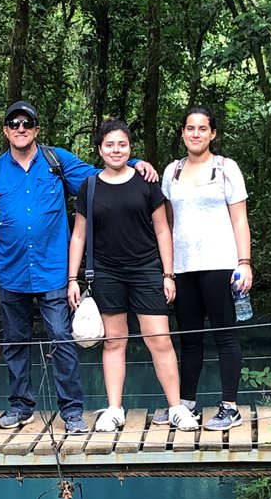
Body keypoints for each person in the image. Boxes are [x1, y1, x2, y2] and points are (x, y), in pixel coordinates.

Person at [0, 100, 158, 433]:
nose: (21, 129)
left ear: (36, 129)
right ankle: (20, 406)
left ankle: (73, 411)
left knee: (62, 339)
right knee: (16, 343)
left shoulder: (55, 160)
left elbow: (100, 178)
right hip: (11, 271)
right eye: (14, 124)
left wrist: (133, 162)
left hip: (53, 270)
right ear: (6, 130)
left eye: (27, 123)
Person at [66, 119, 201, 432]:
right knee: (114, 342)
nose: (116, 150)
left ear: (130, 147)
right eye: (109, 145)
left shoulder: (146, 182)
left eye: (122, 144)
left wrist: (168, 274)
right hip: (106, 273)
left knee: (160, 340)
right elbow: (78, 236)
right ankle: (114, 408)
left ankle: (176, 407)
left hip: (146, 270)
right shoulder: (90, 186)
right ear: (99, 149)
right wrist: (72, 279)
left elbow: (162, 228)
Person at [158, 106, 252, 431]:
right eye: (190, 128)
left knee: (225, 336)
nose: (195, 134)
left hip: (220, 264)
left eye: (202, 128)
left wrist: (245, 263)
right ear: (182, 133)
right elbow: (167, 224)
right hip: (184, 267)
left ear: (213, 133)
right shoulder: (171, 172)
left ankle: (230, 406)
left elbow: (240, 219)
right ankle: (186, 404)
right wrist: (167, 271)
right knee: (189, 339)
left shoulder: (226, 169)